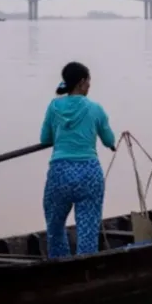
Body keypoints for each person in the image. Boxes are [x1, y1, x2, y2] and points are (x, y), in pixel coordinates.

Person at [39, 62, 116, 258]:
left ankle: (59, 265)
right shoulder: (95, 108)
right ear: (82, 82)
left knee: (55, 228)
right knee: (88, 231)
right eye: (89, 81)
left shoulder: (54, 106)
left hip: (60, 173)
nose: (90, 85)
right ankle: (85, 270)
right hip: (89, 174)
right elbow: (108, 139)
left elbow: (45, 139)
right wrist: (111, 144)